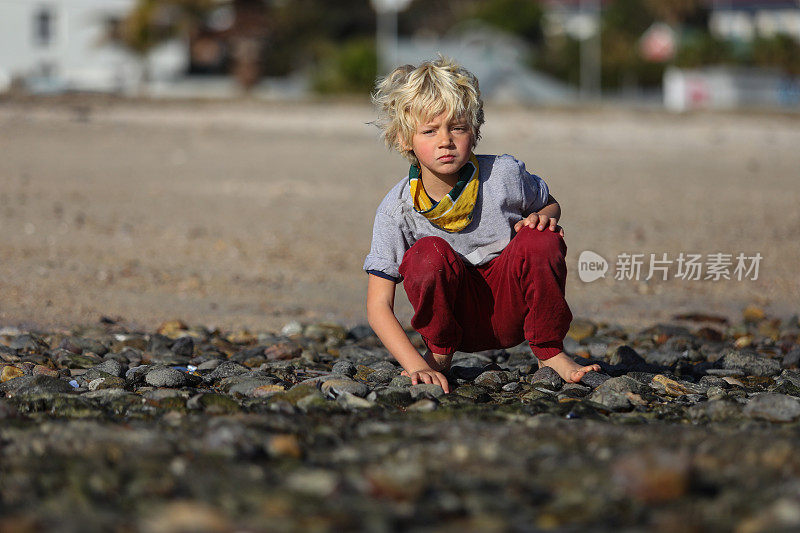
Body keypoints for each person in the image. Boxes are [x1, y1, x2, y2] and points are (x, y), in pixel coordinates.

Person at [363, 56, 599, 394]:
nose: (445, 140)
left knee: (540, 239)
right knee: (427, 253)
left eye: (457, 127)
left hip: (512, 307)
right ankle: (439, 355)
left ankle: (550, 353)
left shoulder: (504, 175)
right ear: (405, 140)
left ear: (474, 132)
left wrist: (545, 218)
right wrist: (414, 365)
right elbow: (377, 306)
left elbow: (549, 203)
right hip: (454, 324)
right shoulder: (398, 208)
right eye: (429, 131)